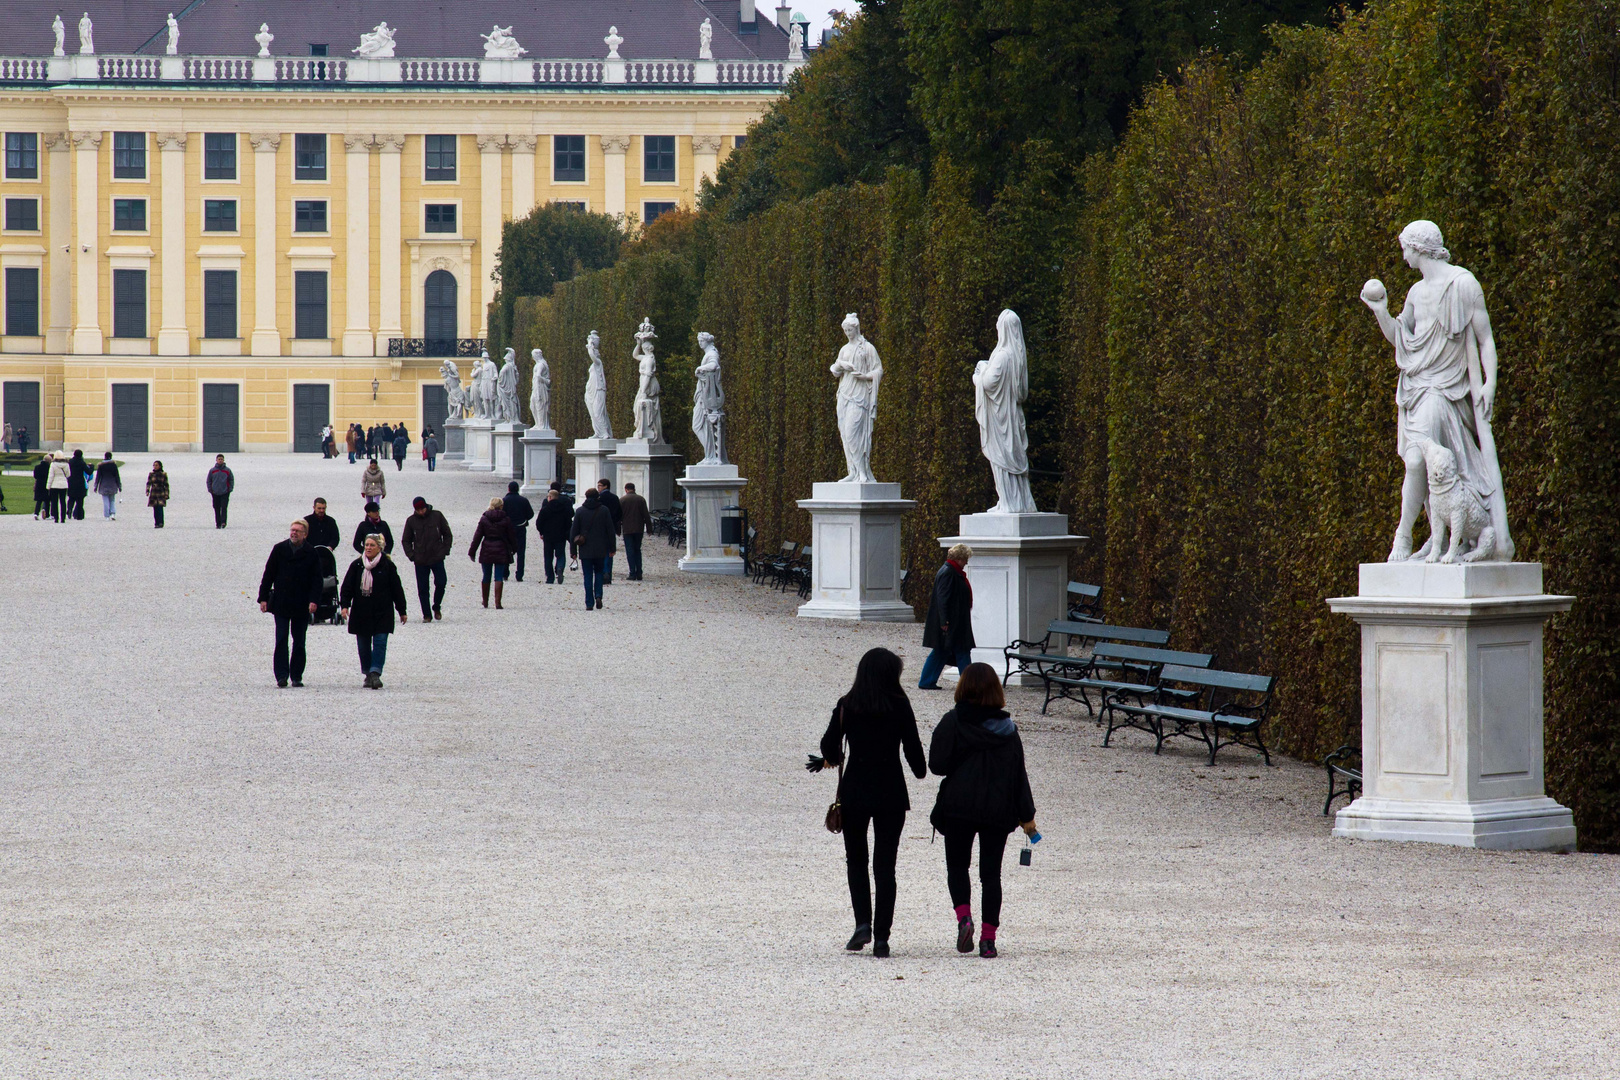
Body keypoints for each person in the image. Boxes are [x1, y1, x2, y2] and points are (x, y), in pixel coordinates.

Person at [809, 647, 925, 958]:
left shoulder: (848, 704)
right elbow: (916, 757)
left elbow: (829, 747)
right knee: (885, 866)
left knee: (856, 860)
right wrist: (921, 768)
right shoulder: (900, 705)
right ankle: (883, 936)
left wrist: (832, 757)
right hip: (890, 792)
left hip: (855, 791)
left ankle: (862, 924)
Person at [928, 663, 1039, 959]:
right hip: (997, 809)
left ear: (963, 688)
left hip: (959, 807)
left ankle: (964, 918)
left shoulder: (952, 722)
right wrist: (1027, 816)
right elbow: (1019, 776)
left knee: (957, 867)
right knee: (991, 876)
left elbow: (936, 765)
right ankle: (989, 940)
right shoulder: (1008, 731)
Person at [256, 519, 323, 688]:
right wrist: (263, 597)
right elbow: (268, 574)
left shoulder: (311, 553)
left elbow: (317, 580)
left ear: (305, 534)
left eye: (298, 531)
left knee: (299, 641)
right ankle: (281, 675)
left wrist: (314, 600)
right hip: (282, 602)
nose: (293, 533)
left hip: (301, 603)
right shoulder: (279, 549)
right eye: (292, 530)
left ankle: (297, 675)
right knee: (281, 639)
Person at [340, 532, 408, 689]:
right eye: (367, 544)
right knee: (363, 645)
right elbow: (347, 587)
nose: (368, 547)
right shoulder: (357, 565)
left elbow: (397, 589)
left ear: (380, 548)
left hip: (382, 611)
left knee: (380, 642)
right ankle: (367, 672)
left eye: (372, 545)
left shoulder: (387, 566)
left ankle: (375, 672)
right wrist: (344, 605)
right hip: (361, 611)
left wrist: (402, 610)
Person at [919, 544, 976, 690]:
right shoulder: (949, 573)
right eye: (965, 559)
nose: (966, 562)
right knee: (960, 650)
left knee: (943, 650)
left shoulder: (950, 571)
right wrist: (944, 621)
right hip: (952, 621)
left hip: (953, 620)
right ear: (958, 558)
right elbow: (942, 598)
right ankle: (969, 685)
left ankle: (927, 681)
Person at [401, 496, 453, 621]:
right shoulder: (411, 521)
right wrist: (411, 555)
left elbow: (447, 534)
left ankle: (436, 605)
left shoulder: (437, 516)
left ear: (426, 506)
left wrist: (445, 550)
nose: (421, 512)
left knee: (441, 582)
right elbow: (406, 540)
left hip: (437, 557)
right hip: (420, 559)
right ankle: (427, 614)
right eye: (418, 510)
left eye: (422, 509)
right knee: (423, 588)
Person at [569, 487, 616, 610]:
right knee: (599, 573)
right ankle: (599, 595)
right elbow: (610, 531)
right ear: (597, 497)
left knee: (588, 575)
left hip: (585, 549)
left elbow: (573, 533)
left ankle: (589, 602)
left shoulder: (580, 511)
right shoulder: (604, 510)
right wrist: (612, 548)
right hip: (601, 548)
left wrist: (573, 551)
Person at [468, 496, 517, 609]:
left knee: (486, 575)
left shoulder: (484, 518)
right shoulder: (506, 519)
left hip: (487, 549)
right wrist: (514, 548)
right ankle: (498, 602)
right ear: (501, 506)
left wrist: (472, 551)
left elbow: (477, 536)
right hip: (501, 548)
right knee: (499, 576)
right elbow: (511, 536)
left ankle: (485, 601)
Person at [536, 482, 573, 584]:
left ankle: (550, 577)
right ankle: (560, 568)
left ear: (550, 497)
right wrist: (566, 531)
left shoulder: (545, 508)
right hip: (560, 534)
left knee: (548, 556)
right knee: (560, 554)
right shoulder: (565, 505)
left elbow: (539, 522)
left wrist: (541, 532)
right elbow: (569, 520)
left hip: (548, 535)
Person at [502, 481, 534, 582]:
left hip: (507, 529)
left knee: (507, 550)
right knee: (521, 552)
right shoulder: (523, 500)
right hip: (520, 527)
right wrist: (524, 519)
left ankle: (505, 573)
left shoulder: (504, 501)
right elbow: (531, 514)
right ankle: (519, 575)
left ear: (508, 489)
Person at [618, 482, 650, 581]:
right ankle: (639, 572)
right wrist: (649, 528)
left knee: (630, 551)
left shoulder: (622, 500)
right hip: (639, 528)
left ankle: (632, 573)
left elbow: (619, 516)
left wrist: (618, 529)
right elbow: (646, 515)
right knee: (637, 550)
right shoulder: (641, 499)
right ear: (634, 489)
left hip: (627, 529)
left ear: (626, 489)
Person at [595, 479, 622, 584]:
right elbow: (619, 513)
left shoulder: (599, 498)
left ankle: (601, 573)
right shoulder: (614, 498)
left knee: (600, 551)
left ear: (606, 486)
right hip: (611, 526)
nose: (598, 488)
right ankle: (607, 573)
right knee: (609, 551)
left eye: (600, 486)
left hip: (599, 527)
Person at [206, 453, 234, 528]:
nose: (220, 460)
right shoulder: (212, 471)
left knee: (224, 507)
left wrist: (230, 489)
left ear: (223, 460)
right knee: (216, 508)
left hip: (225, 492)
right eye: (219, 459)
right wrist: (210, 489)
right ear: (216, 460)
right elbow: (209, 480)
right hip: (215, 492)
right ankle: (218, 523)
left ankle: (223, 522)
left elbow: (231, 479)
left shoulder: (227, 470)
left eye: (221, 459)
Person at [93, 451, 121, 519]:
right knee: (112, 500)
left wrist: (95, 486)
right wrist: (119, 485)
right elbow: (117, 476)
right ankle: (113, 513)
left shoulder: (101, 466)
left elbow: (98, 477)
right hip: (112, 484)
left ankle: (107, 516)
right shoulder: (113, 465)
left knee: (105, 500)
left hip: (104, 484)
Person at [66, 448, 89, 520]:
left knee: (71, 498)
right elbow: (89, 471)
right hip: (79, 482)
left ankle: (69, 509)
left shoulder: (70, 462)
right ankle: (79, 515)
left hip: (71, 481)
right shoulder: (82, 462)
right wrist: (92, 467)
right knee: (80, 499)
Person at [47, 452, 70, 523]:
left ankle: (56, 518)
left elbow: (51, 476)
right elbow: (68, 474)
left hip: (54, 485)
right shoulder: (66, 465)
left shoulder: (53, 465)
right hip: (63, 484)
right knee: (63, 502)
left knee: (54, 502)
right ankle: (63, 518)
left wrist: (48, 486)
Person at [145, 460, 169, 528]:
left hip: (161, 492)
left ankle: (161, 522)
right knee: (155, 509)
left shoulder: (163, 474)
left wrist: (166, 494)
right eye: (154, 465)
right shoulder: (151, 474)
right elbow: (148, 483)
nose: (155, 467)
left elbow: (166, 485)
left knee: (160, 508)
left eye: (156, 465)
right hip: (154, 493)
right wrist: (147, 490)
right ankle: (156, 522)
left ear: (160, 466)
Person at [32, 453, 50, 518]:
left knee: (39, 501)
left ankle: (36, 513)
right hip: (46, 484)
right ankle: (46, 513)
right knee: (47, 500)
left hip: (39, 484)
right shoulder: (49, 467)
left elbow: (35, 476)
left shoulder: (37, 467)